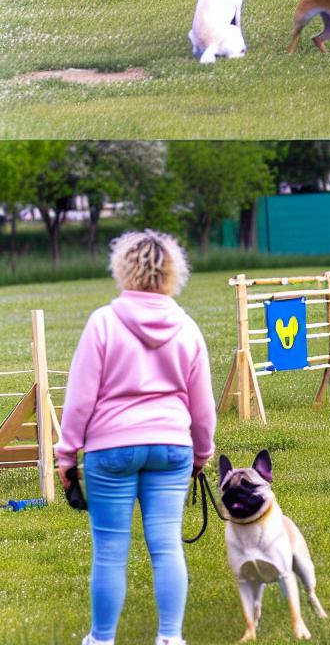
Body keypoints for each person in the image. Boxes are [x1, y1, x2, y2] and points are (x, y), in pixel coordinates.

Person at [55, 230, 216, 645]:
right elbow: (203, 408)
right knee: (166, 547)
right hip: (171, 448)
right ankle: (169, 638)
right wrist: (202, 453)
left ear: (123, 268)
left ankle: (102, 639)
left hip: (110, 447)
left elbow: (78, 400)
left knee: (109, 550)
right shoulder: (187, 327)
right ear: (172, 273)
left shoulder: (103, 323)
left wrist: (66, 453)